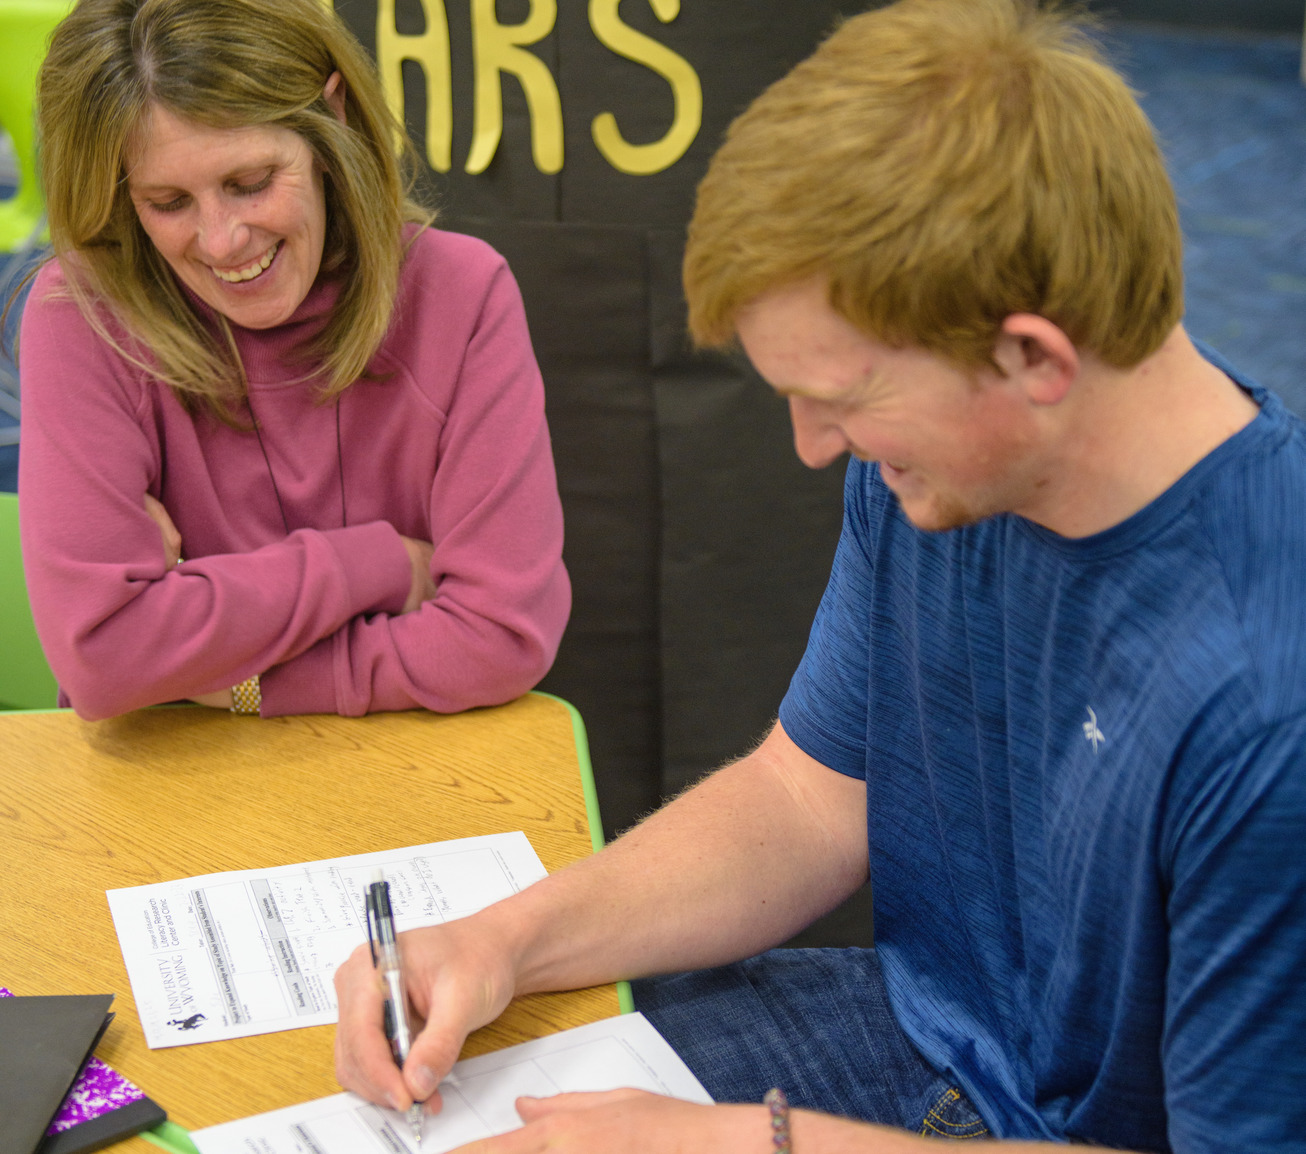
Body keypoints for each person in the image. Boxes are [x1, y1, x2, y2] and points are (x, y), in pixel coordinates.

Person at [334, 0, 1306, 1149]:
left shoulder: (1265, 695)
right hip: (911, 1043)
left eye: (842, 399)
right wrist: (503, 941)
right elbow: (810, 796)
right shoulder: (939, 469)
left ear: (1031, 355)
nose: (811, 445)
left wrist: (753, 1142)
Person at [16, 0, 569, 719]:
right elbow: (105, 655)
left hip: (412, 782)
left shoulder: (464, 293)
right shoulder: (81, 311)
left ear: (331, 120)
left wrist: (218, 673)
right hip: (157, 789)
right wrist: (378, 566)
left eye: (249, 183)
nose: (220, 242)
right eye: (168, 201)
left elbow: (500, 639)